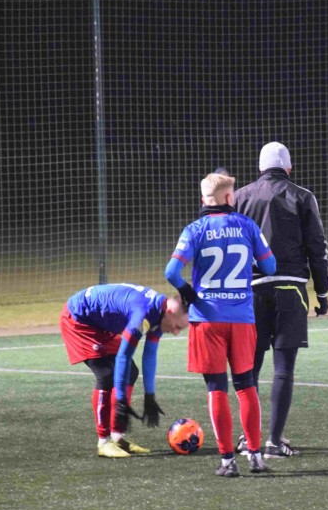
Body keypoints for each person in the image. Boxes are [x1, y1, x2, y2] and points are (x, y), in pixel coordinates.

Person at [165, 172, 277, 477]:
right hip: (241, 318)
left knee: (217, 389)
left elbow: (172, 271)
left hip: (207, 319)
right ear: (230, 198)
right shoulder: (248, 226)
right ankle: (256, 456)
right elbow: (270, 266)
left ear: (204, 200)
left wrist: (190, 295)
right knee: (246, 386)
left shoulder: (195, 229)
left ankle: (228, 461)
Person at [233, 141, 328, 459]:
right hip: (290, 289)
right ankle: (274, 442)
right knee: (283, 369)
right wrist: (323, 292)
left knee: (250, 369)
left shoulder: (238, 197)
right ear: (288, 167)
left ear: (260, 168)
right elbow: (318, 246)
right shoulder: (302, 196)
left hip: (251, 292)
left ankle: (248, 440)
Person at [59, 284, 189, 458]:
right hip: (79, 319)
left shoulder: (160, 315)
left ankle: (117, 437)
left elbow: (149, 354)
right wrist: (121, 399)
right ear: (170, 312)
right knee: (106, 374)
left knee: (131, 372)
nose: (176, 332)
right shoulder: (141, 317)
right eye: (177, 327)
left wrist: (149, 395)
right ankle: (103, 442)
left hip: (100, 323)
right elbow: (123, 357)